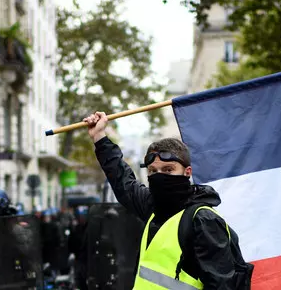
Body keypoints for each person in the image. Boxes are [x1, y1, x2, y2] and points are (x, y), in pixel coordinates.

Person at [84, 111, 253, 290]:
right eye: (153, 171)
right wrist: (99, 137)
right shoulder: (153, 207)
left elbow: (222, 286)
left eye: (168, 170)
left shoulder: (202, 220)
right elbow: (122, 180)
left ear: (187, 172)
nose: (159, 177)